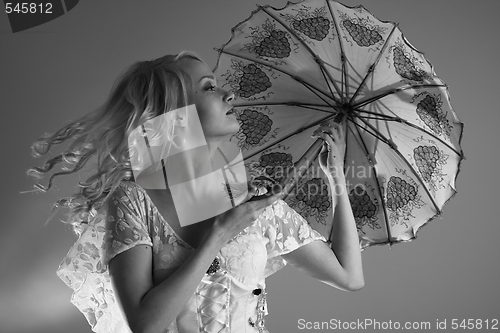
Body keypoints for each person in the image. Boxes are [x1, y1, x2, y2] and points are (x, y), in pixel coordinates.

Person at [29, 51, 364, 333]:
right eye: (209, 88)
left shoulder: (254, 201)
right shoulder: (133, 201)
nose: (229, 94)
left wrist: (335, 177)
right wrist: (220, 234)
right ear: (175, 117)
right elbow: (145, 324)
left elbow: (348, 276)